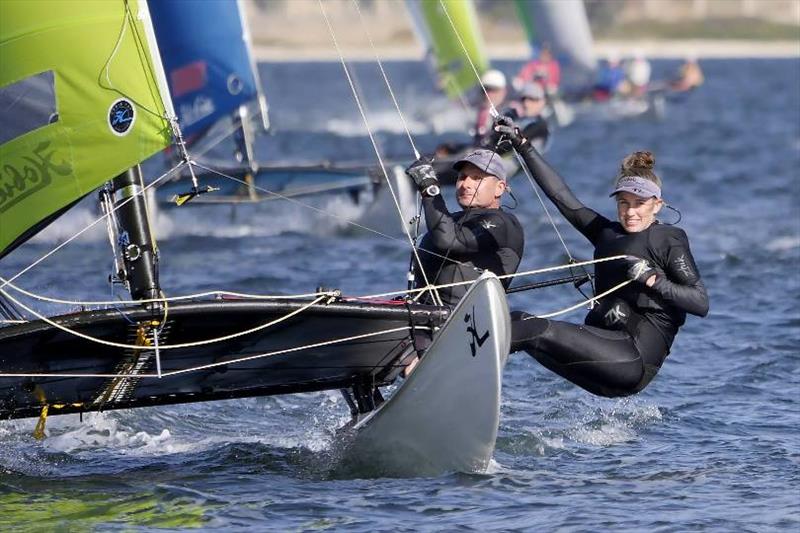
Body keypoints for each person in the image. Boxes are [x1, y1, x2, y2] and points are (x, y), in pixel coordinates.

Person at [493, 116, 709, 397]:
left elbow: (700, 302)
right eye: (623, 203)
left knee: (535, 329)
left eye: (639, 204)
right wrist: (523, 146)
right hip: (602, 363)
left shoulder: (668, 239)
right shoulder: (607, 234)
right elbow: (562, 197)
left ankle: (457, 362)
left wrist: (652, 280)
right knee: (518, 319)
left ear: (657, 206)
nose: (630, 212)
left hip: (632, 359)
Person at [405, 149, 525, 308]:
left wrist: (429, 188)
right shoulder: (451, 220)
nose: (466, 184)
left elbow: (449, 241)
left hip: (468, 322)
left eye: (477, 178)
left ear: (499, 188)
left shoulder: (504, 223)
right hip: (423, 315)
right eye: (462, 177)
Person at [473, 69, 508, 144]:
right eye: (484, 90)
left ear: (504, 91)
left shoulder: (510, 112)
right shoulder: (476, 112)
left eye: (493, 90)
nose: (487, 95)